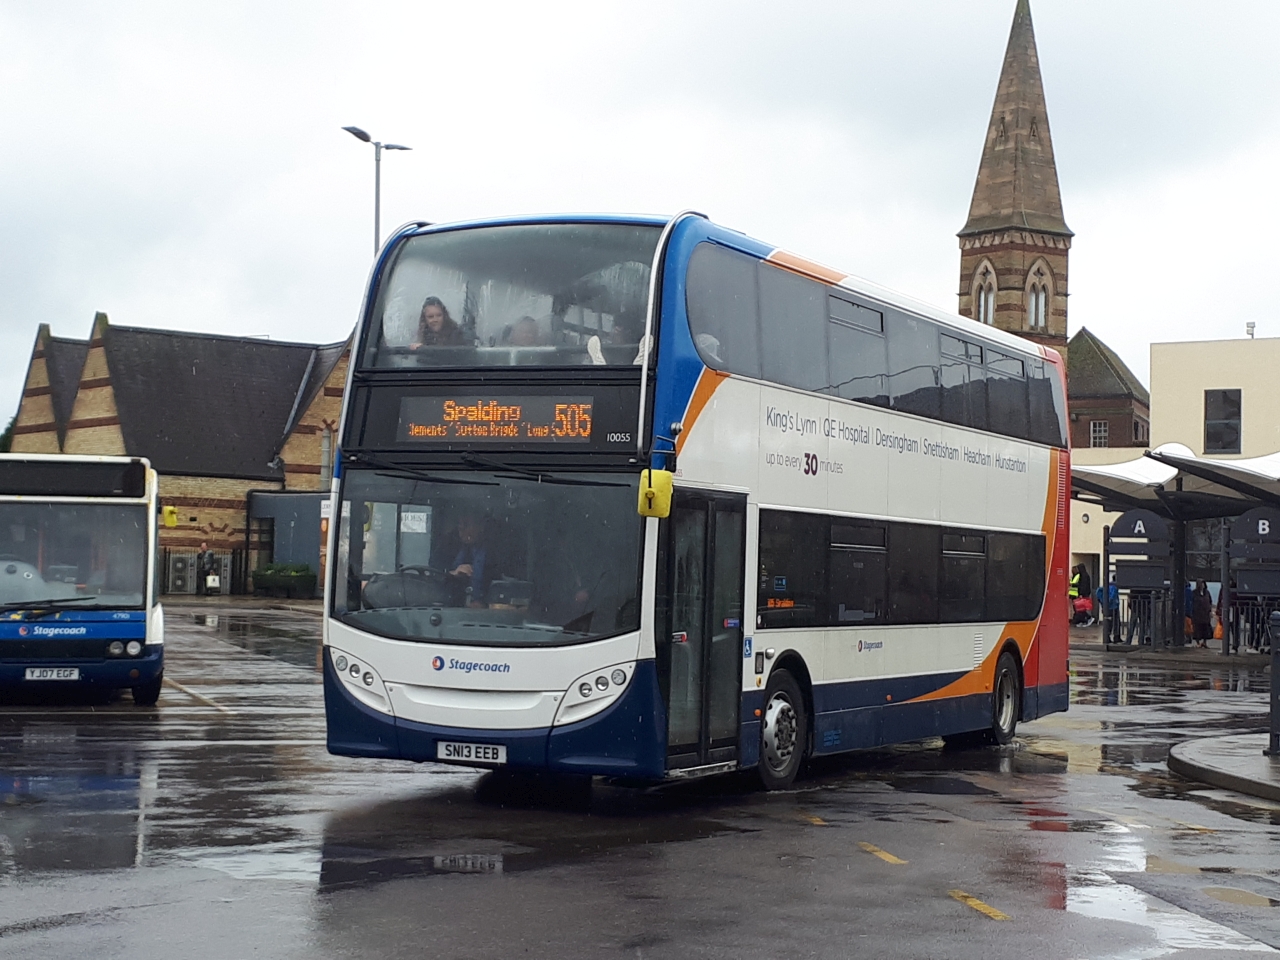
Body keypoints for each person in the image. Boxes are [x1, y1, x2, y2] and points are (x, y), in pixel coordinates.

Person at [447, 513, 488, 607]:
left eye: (466, 524)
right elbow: (435, 574)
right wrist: (453, 573)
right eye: (459, 525)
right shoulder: (449, 547)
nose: (461, 529)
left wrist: (485, 603)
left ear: (481, 526)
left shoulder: (496, 552)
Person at [1191, 579, 1214, 648]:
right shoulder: (1194, 593)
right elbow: (1192, 602)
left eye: (1203, 584)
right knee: (1197, 628)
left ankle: (1204, 642)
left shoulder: (1207, 592)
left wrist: (1210, 610)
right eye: (1201, 584)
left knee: (1206, 628)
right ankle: (1198, 642)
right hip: (1197, 614)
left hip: (1205, 614)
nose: (1202, 585)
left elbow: (1210, 601)